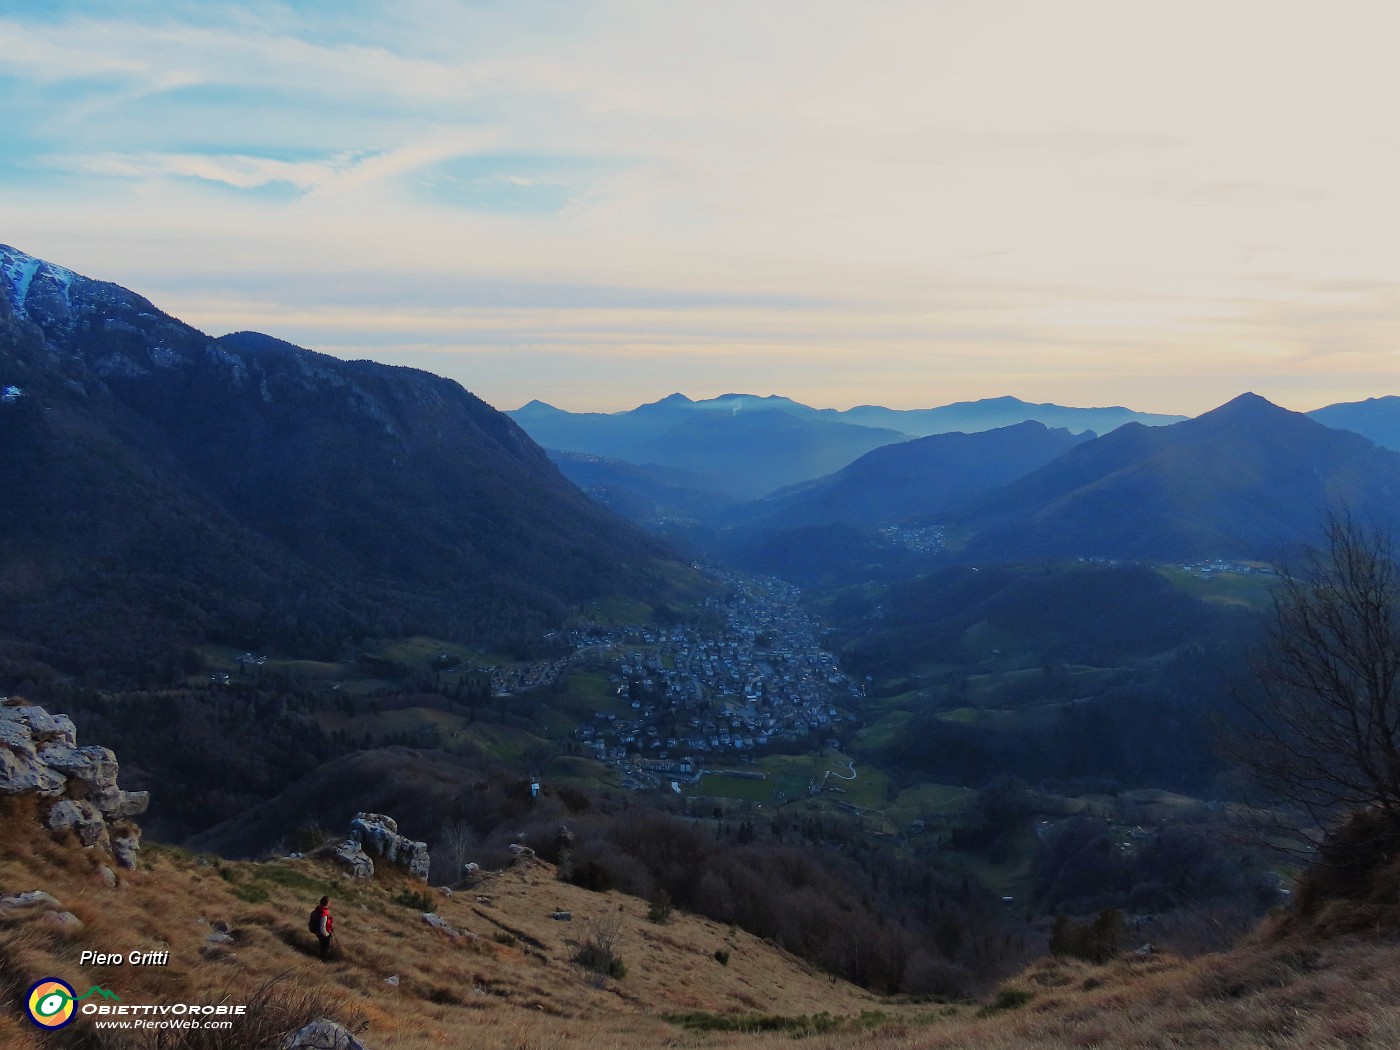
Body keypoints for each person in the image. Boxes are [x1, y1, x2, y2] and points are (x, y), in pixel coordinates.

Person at [310, 896, 333, 961]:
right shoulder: (324, 914)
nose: (330, 903)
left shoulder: (318, 909)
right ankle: (323, 960)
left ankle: (322, 958)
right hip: (322, 932)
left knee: (322, 945)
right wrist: (327, 935)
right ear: (327, 903)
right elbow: (322, 928)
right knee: (325, 947)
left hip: (316, 930)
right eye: (329, 902)